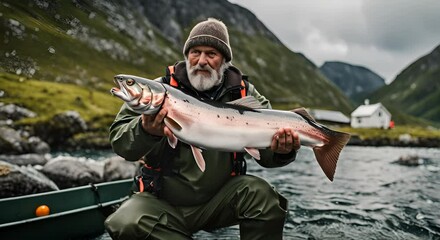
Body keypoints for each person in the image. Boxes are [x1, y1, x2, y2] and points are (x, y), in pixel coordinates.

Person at [105, 18, 301, 240]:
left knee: (264, 198)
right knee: (124, 222)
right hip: (160, 199)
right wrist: (145, 130)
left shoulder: (244, 95)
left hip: (219, 200)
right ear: (186, 55)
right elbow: (121, 143)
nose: (201, 61)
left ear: (224, 61)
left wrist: (282, 150)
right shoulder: (157, 90)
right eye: (195, 52)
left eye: (211, 54)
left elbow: (267, 156)